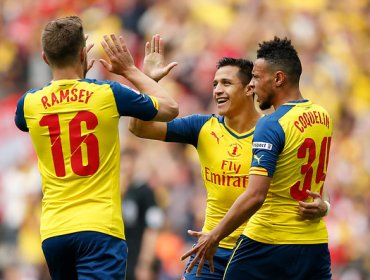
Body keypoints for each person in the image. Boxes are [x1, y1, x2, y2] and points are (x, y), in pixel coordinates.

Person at [129, 35, 329, 279]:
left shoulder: (274, 128)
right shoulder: (202, 127)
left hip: (255, 248)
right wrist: (148, 80)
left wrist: (324, 205)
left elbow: (302, 179)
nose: (217, 91)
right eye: (214, 84)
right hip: (210, 247)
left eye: (226, 83)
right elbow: (139, 128)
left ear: (249, 89)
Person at [14, 16, 178, 280]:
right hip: (99, 228)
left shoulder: (28, 104)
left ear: (45, 58)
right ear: (83, 53)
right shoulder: (106, 94)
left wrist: (77, 77)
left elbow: (50, 112)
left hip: (55, 233)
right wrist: (131, 71)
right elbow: (170, 108)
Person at [120, 147, 164, 280]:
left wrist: (145, 262)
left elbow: (153, 227)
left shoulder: (144, 192)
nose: (126, 170)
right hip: (118, 257)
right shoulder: (113, 192)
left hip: (136, 257)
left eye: (129, 165)